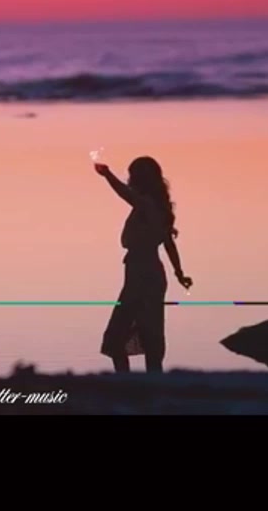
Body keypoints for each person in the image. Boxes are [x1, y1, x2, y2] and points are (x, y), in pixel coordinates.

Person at [94, 156, 192, 373]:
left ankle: (129, 383)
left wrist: (107, 174)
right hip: (148, 273)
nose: (129, 180)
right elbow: (169, 244)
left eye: (132, 176)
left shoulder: (146, 204)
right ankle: (145, 382)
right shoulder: (159, 206)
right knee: (148, 337)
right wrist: (179, 273)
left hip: (142, 274)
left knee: (118, 338)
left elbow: (125, 194)